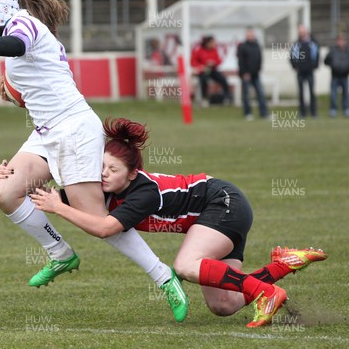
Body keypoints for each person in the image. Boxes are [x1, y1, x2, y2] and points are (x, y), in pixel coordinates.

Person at [0, 0, 188, 317]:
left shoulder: (22, 23)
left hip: (73, 130)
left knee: (97, 221)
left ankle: (163, 276)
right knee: (5, 192)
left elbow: (13, 46)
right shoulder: (19, 26)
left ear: (1, 6)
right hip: (46, 133)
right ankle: (60, 253)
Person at [28, 117, 327, 328]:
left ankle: (267, 293)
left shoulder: (142, 192)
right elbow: (43, 195)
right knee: (225, 305)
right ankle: (284, 264)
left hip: (223, 203)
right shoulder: (106, 187)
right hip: (213, 218)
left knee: (185, 265)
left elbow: (105, 229)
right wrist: (10, 177)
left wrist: (59, 208)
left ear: (132, 174)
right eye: (101, 166)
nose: (103, 174)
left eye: (113, 169)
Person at [237, 27, 268, 120]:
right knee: (246, 95)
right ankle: (248, 113)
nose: (250, 36)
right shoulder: (242, 46)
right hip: (246, 75)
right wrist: (244, 73)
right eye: (248, 35)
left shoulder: (257, 45)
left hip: (256, 74)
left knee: (261, 94)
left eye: (251, 34)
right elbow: (241, 61)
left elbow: (259, 59)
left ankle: (264, 113)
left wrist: (258, 70)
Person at [191, 35, 232, 105]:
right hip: (202, 71)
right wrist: (202, 66)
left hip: (212, 70)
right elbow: (193, 61)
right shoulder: (199, 50)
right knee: (203, 80)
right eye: (212, 42)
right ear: (207, 43)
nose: (214, 44)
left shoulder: (214, 50)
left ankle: (227, 97)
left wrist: (213, 63)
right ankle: (204, 98)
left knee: (223, 79)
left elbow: (219, 60)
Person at [290, 24, 319, 118]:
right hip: (300, 72)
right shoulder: (296, 44)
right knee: (301, 93)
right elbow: (292, 57)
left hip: (310, 71)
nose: (302, 33)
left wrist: (314, 66)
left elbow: (316, 55)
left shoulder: (313, 43)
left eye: (303, 31)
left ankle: (313, 112)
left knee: (312, 92)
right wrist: (295, 66)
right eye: (300, 31)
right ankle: (302, 112)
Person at [324, 33, 349, 118]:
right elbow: (326, 61)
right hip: (335, 75)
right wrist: (332, 65)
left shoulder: (348, 51)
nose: (341, 42)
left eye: (342, 40)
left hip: (345, 75)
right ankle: (333, 109)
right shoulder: (333, 50)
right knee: (333, 94)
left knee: (345, 94)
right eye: (339, 40)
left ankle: (346, 109)